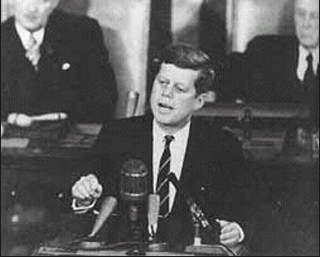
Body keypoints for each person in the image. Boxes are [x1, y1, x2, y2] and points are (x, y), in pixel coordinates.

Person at [71, 43, 253, 250]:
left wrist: (237, 229)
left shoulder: (222, 146)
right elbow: (86, 204)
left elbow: (246, 210)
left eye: (179, 89)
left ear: (199, 101)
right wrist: (84, 197)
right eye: (162, 82)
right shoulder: (117, 135)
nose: (166, 94)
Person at [1, 0, 117, 123]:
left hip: (70, 140)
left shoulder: (83, 33)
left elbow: (103, 100)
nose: (32, 8)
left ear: (55, 0)